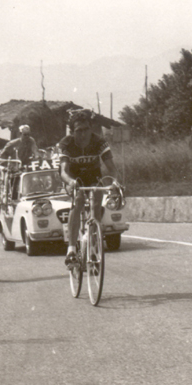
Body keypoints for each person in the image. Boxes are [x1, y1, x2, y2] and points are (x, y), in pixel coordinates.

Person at [59, 109, 121, 268]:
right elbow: (63, 171)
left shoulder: (99, 142)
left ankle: (93, 246)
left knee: (96, 204)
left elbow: (112, 169)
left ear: (90, 129)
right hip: (74, 177)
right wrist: (70, 182)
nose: (83, 134)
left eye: (86, 129)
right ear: (73, 132)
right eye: (78, 131)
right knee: (78, 200)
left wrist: (114, 182)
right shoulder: (66, 143)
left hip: (93, 175)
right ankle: (71, 250)